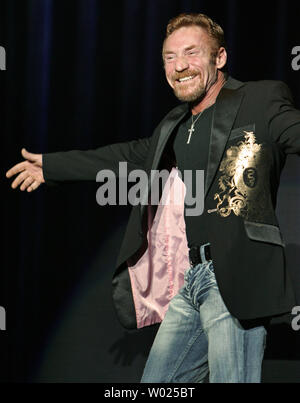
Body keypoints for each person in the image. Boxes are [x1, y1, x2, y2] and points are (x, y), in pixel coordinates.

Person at [6, 13, 300, 383]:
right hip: (192, 279)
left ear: (219, 58)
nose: (179, 66)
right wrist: (50, 166)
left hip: (236, 275)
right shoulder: (174, 124)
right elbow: (123, 156)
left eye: (191, 53)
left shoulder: (260, 99)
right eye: (169, 57)